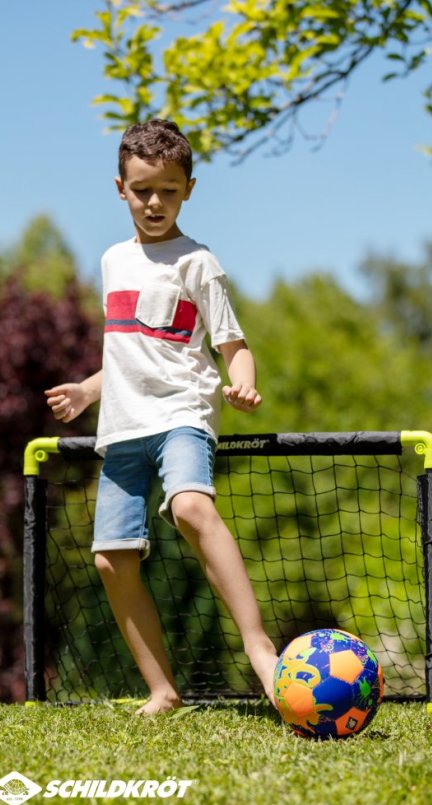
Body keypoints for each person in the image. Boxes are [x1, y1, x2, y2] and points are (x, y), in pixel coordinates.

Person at [45, 119, 278, 715]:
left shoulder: (198, 262)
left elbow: (233, 346)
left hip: (182, 413)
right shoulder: (112, 261)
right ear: (120, 188)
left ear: (189, 190)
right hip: (123, 425)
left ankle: (259, 647)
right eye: (143, 189)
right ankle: (162, 690)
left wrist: (244, 384)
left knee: (192, 507)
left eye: (168, 190)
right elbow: (129, 352)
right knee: (111, 557)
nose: (155, 202)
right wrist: (88, 391)